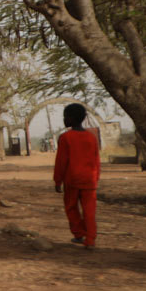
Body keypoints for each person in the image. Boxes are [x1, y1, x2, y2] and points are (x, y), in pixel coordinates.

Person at [53, 103, 101, 249]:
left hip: (72, 180)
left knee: (71, 207)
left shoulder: (65, 138)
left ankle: (79, 234)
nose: (64, 119)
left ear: (71, 119)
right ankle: (90, 240)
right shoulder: (92, 137)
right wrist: (96, 177)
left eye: (65, 117)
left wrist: (57, 181)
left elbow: (61, 161)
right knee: (89, 211)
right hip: (89, 180)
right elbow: (96, 159)